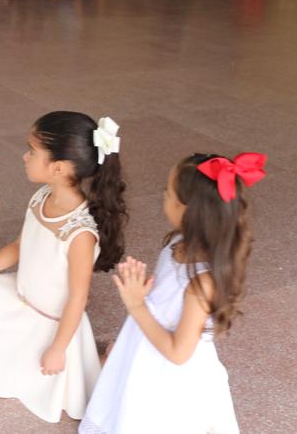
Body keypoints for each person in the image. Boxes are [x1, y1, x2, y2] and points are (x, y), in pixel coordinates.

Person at [0, 112, 127, 424]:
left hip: (50, 319)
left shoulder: (80, 233)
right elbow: (19, 246)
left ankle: (102, 359)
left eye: (32, 151)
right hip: (19, 293)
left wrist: (58, 349)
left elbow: (77, 298)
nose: (24, 156)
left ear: (58, 168)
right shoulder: (42, 196)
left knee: (42, 370)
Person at [80, 152, 266, 434]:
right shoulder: (178, 242)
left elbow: (178, 353)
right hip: (148, 343)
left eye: (167, 192)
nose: (163, 196)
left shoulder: (201, 283)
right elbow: (167, 302)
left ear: (188, 210)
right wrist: (143, 292)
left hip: (168, 370)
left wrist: (136, 305)